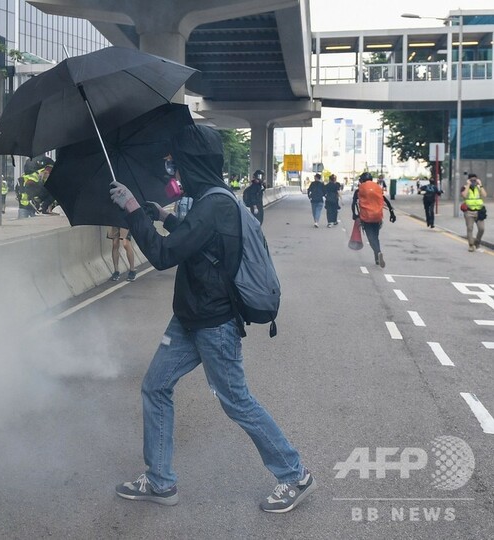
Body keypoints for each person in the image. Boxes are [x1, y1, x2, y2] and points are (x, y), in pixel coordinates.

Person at [109, 124, 314, 513]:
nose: (174, 173)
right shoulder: (210, 201)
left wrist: (135, 212)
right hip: (188, 318)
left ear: (193, 164)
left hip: (214, 324)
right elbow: (196, 243)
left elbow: (166, 256)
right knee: (155, 386)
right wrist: (163, 217)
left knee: (237, 401)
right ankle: (159, 481)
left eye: (177, 165)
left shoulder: (214, 204)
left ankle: (294, 474)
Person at [352, 171, 396, 267]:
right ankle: (377, 257)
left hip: (366, 217)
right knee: (375, 237)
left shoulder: (359, 190)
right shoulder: (377, 188)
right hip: (377, 217)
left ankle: (378, 252)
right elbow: (386, 201)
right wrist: (392, 213)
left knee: (371, 238)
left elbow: (354, 203)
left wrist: (354, 215)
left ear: (362, 180)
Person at [461, 173, 487, 252]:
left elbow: (484, 195)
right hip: (469, 211)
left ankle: (477, 242)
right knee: (470, 228)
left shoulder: (479, 187)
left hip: (479, 211)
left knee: (481, 229)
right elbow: (464, 196)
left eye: (474, 180)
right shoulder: (464, 187)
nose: (473, 182)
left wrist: (481, 185)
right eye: (471, 180)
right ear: (468, 180)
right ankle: (471, 245)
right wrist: (468, 185)